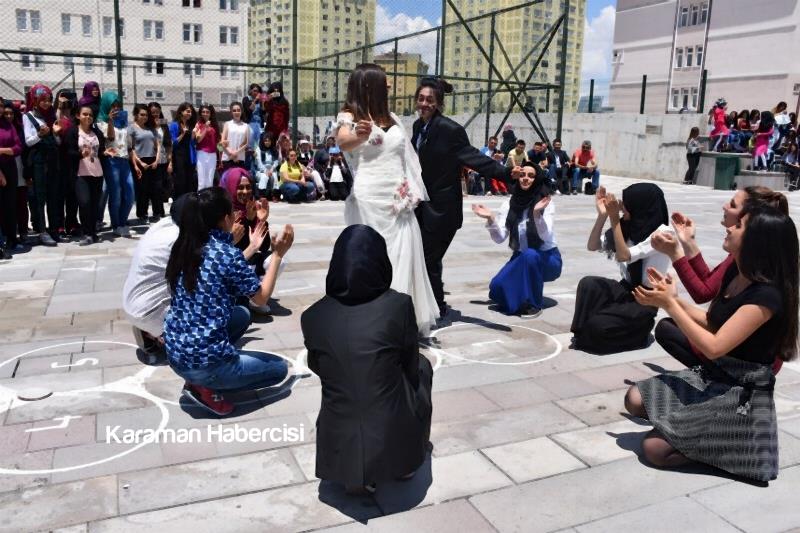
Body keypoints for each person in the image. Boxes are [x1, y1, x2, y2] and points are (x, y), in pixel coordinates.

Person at [625, 205, 798, 483]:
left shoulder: (768, 295)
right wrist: (670, 299)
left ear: (757, 241)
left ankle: (735, 446)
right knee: (634, 399)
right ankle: (692, 425)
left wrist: (669, 304)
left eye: (739, 225)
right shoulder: (736, 273)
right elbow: (710, 319)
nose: (729, 226)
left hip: (741, 394)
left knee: (654, 449)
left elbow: (714, 346)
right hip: (714, 376)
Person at [301, 225, 433, 495]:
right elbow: (409, 364)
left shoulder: (312, 316)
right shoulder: (398, 305)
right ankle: (407, 452)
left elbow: (318, 366)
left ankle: (355, 466)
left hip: (337, 435)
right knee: (423, 366)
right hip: (389, 425)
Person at [164, 187, 293, 416]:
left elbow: (222, 269)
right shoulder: (225, 253)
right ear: (225, 218)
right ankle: (205, 386)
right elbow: (261, 297)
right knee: (279, 369)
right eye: (232, 211)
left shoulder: (184, 246)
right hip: (206, 364)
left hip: (175, 354)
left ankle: (202, 376)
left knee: (241, 315)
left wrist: (252, 246)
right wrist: (278, 255)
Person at [335, 64, 439, 333]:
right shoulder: (349, 115)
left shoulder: (391, 117)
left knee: (403, 254)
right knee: (374, 254)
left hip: (397, 197)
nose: (390, 85)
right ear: (369, 85)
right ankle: (373, 317)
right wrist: (359, 134)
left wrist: (411, 188)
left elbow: (405, 156)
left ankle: (399, 320)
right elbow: (343, 141)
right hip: (370, 196)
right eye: (385, 81)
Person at [411, 76, 520, 319]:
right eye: (421, 98)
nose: (424, 103)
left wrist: (505, 173)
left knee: (430, 258)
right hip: (421, 206)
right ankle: (431, 303)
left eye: (430, 100)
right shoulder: (419, 127)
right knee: (424, 258)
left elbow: (474, 158)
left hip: (443, 210)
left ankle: (436, 307)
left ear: (438, 103)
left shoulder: (450, 130)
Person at [649, 186, 789, 371]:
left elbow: (703, 293)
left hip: (748, 366)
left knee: (667, 329)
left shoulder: (761, 282)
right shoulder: (743, 259)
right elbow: (711, 283)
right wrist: (688, 243)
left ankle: (716, 378)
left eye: (732, 205)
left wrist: (676, 255)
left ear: (750, 219)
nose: (724, 206)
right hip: (730, 347)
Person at [570, 184, 671, 354]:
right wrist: (603, 216)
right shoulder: (627, 226)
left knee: (598, 327)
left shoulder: (663, 234)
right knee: (589, 284)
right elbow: (592, 245)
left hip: (646, 298)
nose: (623, 208)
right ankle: (583, 332)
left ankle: (638, 332)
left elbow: (624, 255)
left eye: (627, 205)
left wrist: (614, 219)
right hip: (627, 289)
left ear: (641, 206)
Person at [472, 163, 561, 316]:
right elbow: (500, 238)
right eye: (522, 175)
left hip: (548, 259)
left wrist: (536, 214)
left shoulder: (545, 202)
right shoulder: (509, 203)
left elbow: (545, 236)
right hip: (522, 257)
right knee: (496, 289)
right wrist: (490, 218)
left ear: (537, 178)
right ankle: (519, 297)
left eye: (531, 176)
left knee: (531, 255)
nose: (526, 179)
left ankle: (534, 304)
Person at [123, 194, 187, 361]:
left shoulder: (161, 225)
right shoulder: (180, 238)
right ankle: (157, 334)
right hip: (148, 312)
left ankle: (151, 330)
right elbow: (212, 275)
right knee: (233, 317)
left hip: (132, 303)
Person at [23, 84, 62, 246]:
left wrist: (56, 134)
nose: (46, 103)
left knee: (53, 196)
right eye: (43, 100)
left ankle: (53, 229)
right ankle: (42, 231)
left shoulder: (50, 117)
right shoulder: (29, 116)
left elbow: (57, 142)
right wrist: (40, 134)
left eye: (48, 100)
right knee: (39, 197)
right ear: (35, 100)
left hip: (52, 160)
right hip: (38, 162)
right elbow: (28, 141)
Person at [65, 105, 107, 245]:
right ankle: (87, 233)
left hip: (97, 173)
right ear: (78, 116)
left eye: (90, 115)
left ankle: (93, 233)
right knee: (84, 203)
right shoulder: (72, 132)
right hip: (80, 174)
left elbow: (100, 151)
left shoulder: (97, 133)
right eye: (84, 114)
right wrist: (80, 154)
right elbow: (68, 152)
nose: (88, 117)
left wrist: (106, 153)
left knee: (95, 204)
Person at [129, 103, 163, 224]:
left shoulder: (151, 129)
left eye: (146, 115)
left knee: (156, 188)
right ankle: (142, 214)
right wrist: (139, 162)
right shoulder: (132, 128)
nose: (144, 117)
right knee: (142, 190)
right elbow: (131, 148)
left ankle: (157, 213)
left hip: (153, 160)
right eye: (142, 114)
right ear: (136, 115)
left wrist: (157, 159)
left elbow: (158, 144)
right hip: (140, 161)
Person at [0, 100, 22, 258]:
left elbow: (18, 147)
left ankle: (11, 239)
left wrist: (2, 150)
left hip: (10, 170)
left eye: (1, 106)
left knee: (10, 206)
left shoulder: (8, 125)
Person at [169, 102, 197, 199]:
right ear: (181, 112)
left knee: (189, 180)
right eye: (187, 111)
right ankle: (178, 202)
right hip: (178, 156)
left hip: (189, 156)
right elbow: (173, 143)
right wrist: (183, 134)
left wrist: (193, 137)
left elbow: (192, 143)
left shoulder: (190, 125)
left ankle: (188, 203)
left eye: (191, 112)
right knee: (180, 181)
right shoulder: (174, 125)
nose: (190, 113)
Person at [149, 102, 172, 210]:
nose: (155, 114)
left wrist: (170, 162)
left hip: (163, 160)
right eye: (153, 112)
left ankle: (161, 211)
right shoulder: (147, 125)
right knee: (155, 187)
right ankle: (157, 211)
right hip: (152, 160)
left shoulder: (163, 123)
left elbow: (168, 144)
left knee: (164, 186)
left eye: (157, 112)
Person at [193, 104, 219, 189]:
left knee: (210, 181)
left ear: (210, 113)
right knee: (201, 181)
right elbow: (198, 140)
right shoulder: (198, 125)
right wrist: (205, 128)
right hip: (202, 153)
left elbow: (218, 142)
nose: (205, 114)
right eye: (203, 112)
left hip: (213, 154)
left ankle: (208, 201)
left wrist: (221, 153)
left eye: (207, 112)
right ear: (200, 113)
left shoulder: (215, 125)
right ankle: (200, 200)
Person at [220, 102, 249, 171]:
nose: (236, 112)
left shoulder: (246, 126)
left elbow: (246, 143)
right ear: (231, 112)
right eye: (234, 110)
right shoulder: (227, 124)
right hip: (227, 158)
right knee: (228, 181)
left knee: (238, 180)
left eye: (238, 110)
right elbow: (221, 143)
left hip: (240, 159)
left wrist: (236, 153)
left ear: (241, 111)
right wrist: (231, 154)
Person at [252, 133, 280, 200]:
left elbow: (276, 161)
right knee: (264, 177)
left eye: (269, 141)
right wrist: (266, 171)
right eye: (266, 141)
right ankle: (262, 195)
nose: (267, 142)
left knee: (274, 177)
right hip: (261, 171)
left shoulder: (274, 150)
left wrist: (272, 169)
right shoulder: (259, 149)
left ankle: (274, 195)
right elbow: (259, 163)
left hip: (271, 170)